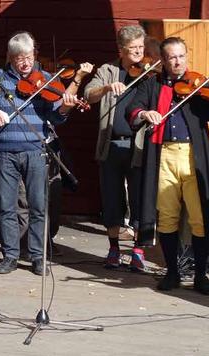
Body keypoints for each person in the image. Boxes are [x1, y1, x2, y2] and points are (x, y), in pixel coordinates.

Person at [0, 32, 89, 276]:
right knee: (6, 205)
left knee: (38, 205)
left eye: (29, 57)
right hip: (4, 152)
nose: (25, 63)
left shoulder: (45, 79)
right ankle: (10, 256)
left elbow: (56, 117)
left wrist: (65, 104)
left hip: (35, 151)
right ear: (10, 58)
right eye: (19, 58)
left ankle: (36, 256)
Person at [125, 37, 209, 296]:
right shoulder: (152, 84)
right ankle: (172, 272)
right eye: (173, 58)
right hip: (164, 155)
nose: (178, 62)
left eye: (182, 56)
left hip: (193, 156)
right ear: (163, 60)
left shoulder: (200, 86)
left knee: (199, 218)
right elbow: (132, 108)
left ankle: (200, 276)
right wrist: (144, 114)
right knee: (167, 216)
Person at [83, 25, 149, 271]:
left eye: (141, 47)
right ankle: (114, 249)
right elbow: (89, 94)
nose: (139, 53)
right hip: (111, 145)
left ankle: (139, 252)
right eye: (133, 49)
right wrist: (107, 88)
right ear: (121, 50)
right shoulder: (108, 70)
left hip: (139, 145)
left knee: (140, 199)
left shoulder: (149, 73)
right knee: (112, 199)